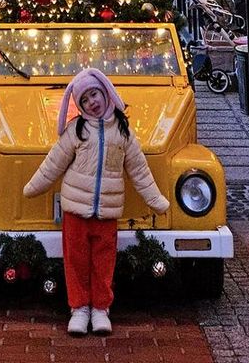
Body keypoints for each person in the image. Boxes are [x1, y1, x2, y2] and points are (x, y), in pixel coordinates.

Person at [23, 67, 169, 337]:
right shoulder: (75, 130)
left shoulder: (123, 132)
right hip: (75, 210)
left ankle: (101, 308)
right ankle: (78, 309)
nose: (92, 102)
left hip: (107, 211)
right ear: (80, 107)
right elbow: (54, 163)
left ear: (105, 93)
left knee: (104, 262)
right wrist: (34, 187)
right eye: (85, 100)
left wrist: (155, 199)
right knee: (75, 260)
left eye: (94, 95)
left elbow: (139, 170)